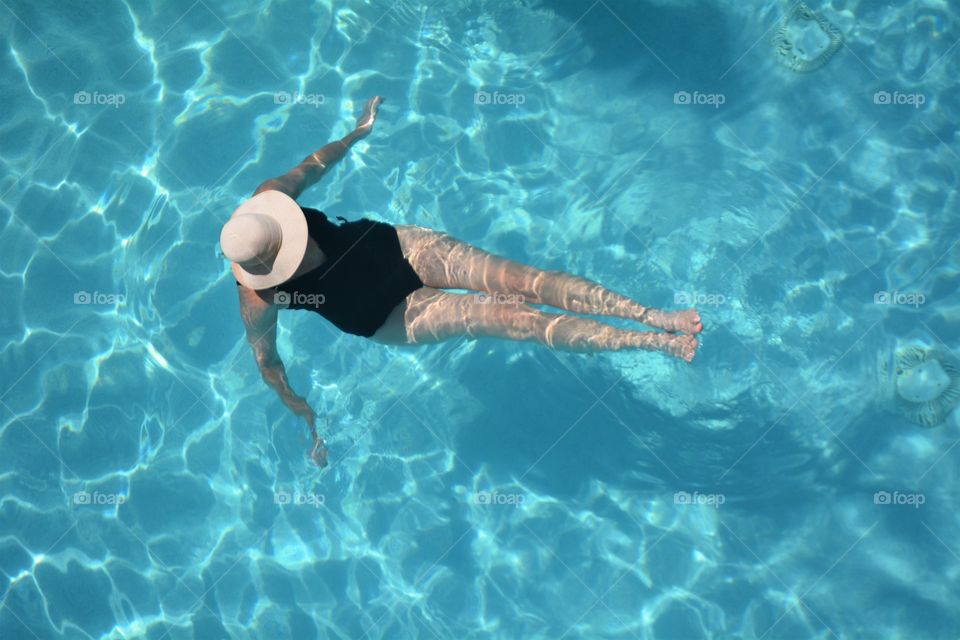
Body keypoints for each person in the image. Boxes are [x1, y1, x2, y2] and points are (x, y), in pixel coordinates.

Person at [219, 96, 702, 467]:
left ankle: (654, 315)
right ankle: (649, 342)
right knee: (518, 320)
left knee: (525, 281)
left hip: (396, 246)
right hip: (387, 315)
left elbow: (315, 162)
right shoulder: (259, 298)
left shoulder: (270, 198)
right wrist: (310, 423)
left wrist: (359, 131)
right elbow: (269, 364)